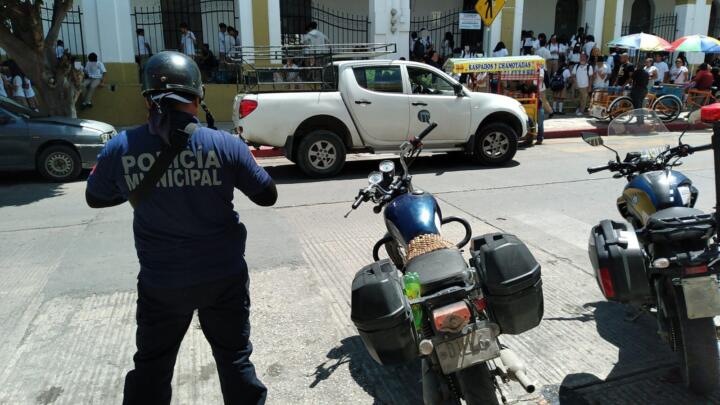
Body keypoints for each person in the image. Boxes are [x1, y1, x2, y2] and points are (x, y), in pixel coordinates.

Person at [85, 51, 275, 405]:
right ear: (197, 97)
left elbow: (95, 198)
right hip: (223, 278)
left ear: (147, 98)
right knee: (234, 358)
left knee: (153, 366)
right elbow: (267, 196)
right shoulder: (225, 144)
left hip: (162, 283)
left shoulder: (120, 147)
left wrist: (139, 186)